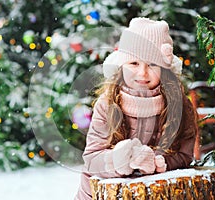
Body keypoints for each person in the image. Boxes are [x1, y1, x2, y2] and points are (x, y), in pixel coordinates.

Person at [75, 17, 198, 199]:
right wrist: (118, 160)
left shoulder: (179, 104)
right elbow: (92, 158)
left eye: (152, 64)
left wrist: (161, 163)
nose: (142, 73)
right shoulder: (107, 104)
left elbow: (185, 154)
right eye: (134, 63)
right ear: (121, 65)